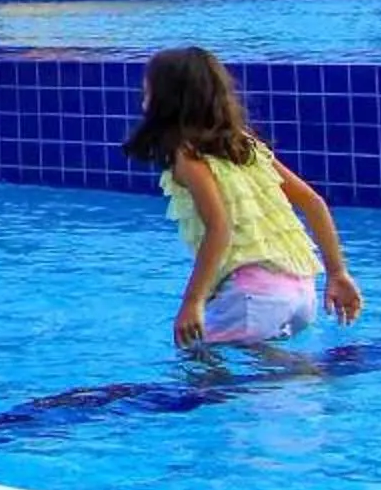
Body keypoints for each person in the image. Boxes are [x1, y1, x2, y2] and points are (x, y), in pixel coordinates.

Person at [125, 46, 361, 349]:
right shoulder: (245, 145)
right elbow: (313, 202)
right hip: (302, 292)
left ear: (165, 99)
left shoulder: (187, 155)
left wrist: (193, 301)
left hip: (253, 295)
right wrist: (338, 273)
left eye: (148, 89)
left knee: (198, 361)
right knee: (259, 360)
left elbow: (219, 228)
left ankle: (307, 375)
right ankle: (303, 375)